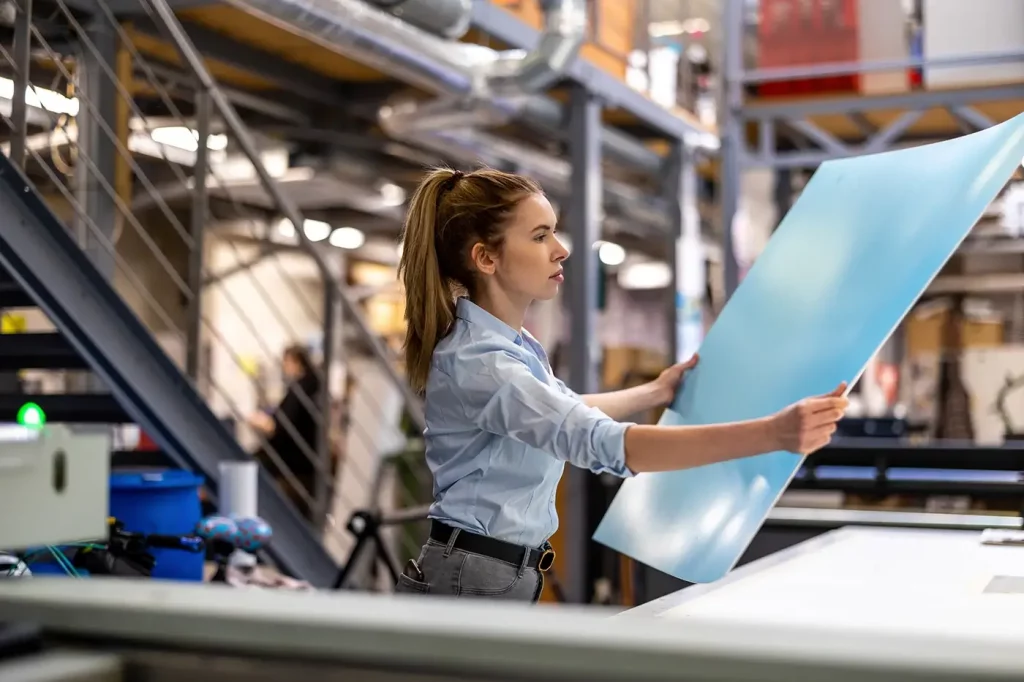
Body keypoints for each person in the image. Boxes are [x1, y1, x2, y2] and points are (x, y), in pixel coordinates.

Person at [395, 167, 847, 602]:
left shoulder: (512, 345)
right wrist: (773, 434)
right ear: (486, 257)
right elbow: (606, 444)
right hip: (471, 579)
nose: (560, 249)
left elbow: (562, 409)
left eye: (554, 231)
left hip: (490, 573)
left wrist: (655, 391)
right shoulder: (484, 362)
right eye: (539, 236)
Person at [249, 344, 322, 519]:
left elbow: (280, 427)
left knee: (249, 463)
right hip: (308, 457)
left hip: (294, 460)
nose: (284, 367)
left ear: (295, 362)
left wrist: (259, 421)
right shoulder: (314, 386)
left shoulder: (299, 390)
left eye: (285, 362)